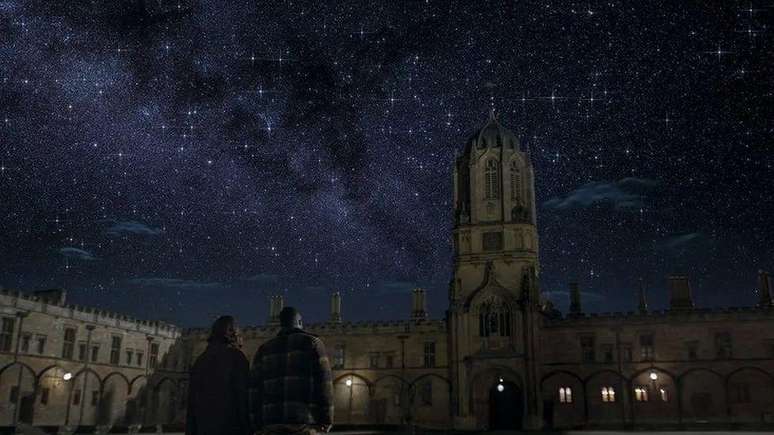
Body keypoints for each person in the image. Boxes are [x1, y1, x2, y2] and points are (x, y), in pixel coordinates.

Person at [251, 307, 334, 435]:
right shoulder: (313, 344)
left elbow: (254, 390)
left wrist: (256, 425)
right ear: (300, 322)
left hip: (271, 424)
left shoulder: (264, 349)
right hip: (304, 423)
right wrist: (326, 420)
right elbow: (325, 384)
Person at [186, 316, 251, 435]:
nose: (241, 341)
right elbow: (243, 400)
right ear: (231, 333)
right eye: (239, 335)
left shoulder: (200, 361)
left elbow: (191, 406)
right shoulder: (236, 358)